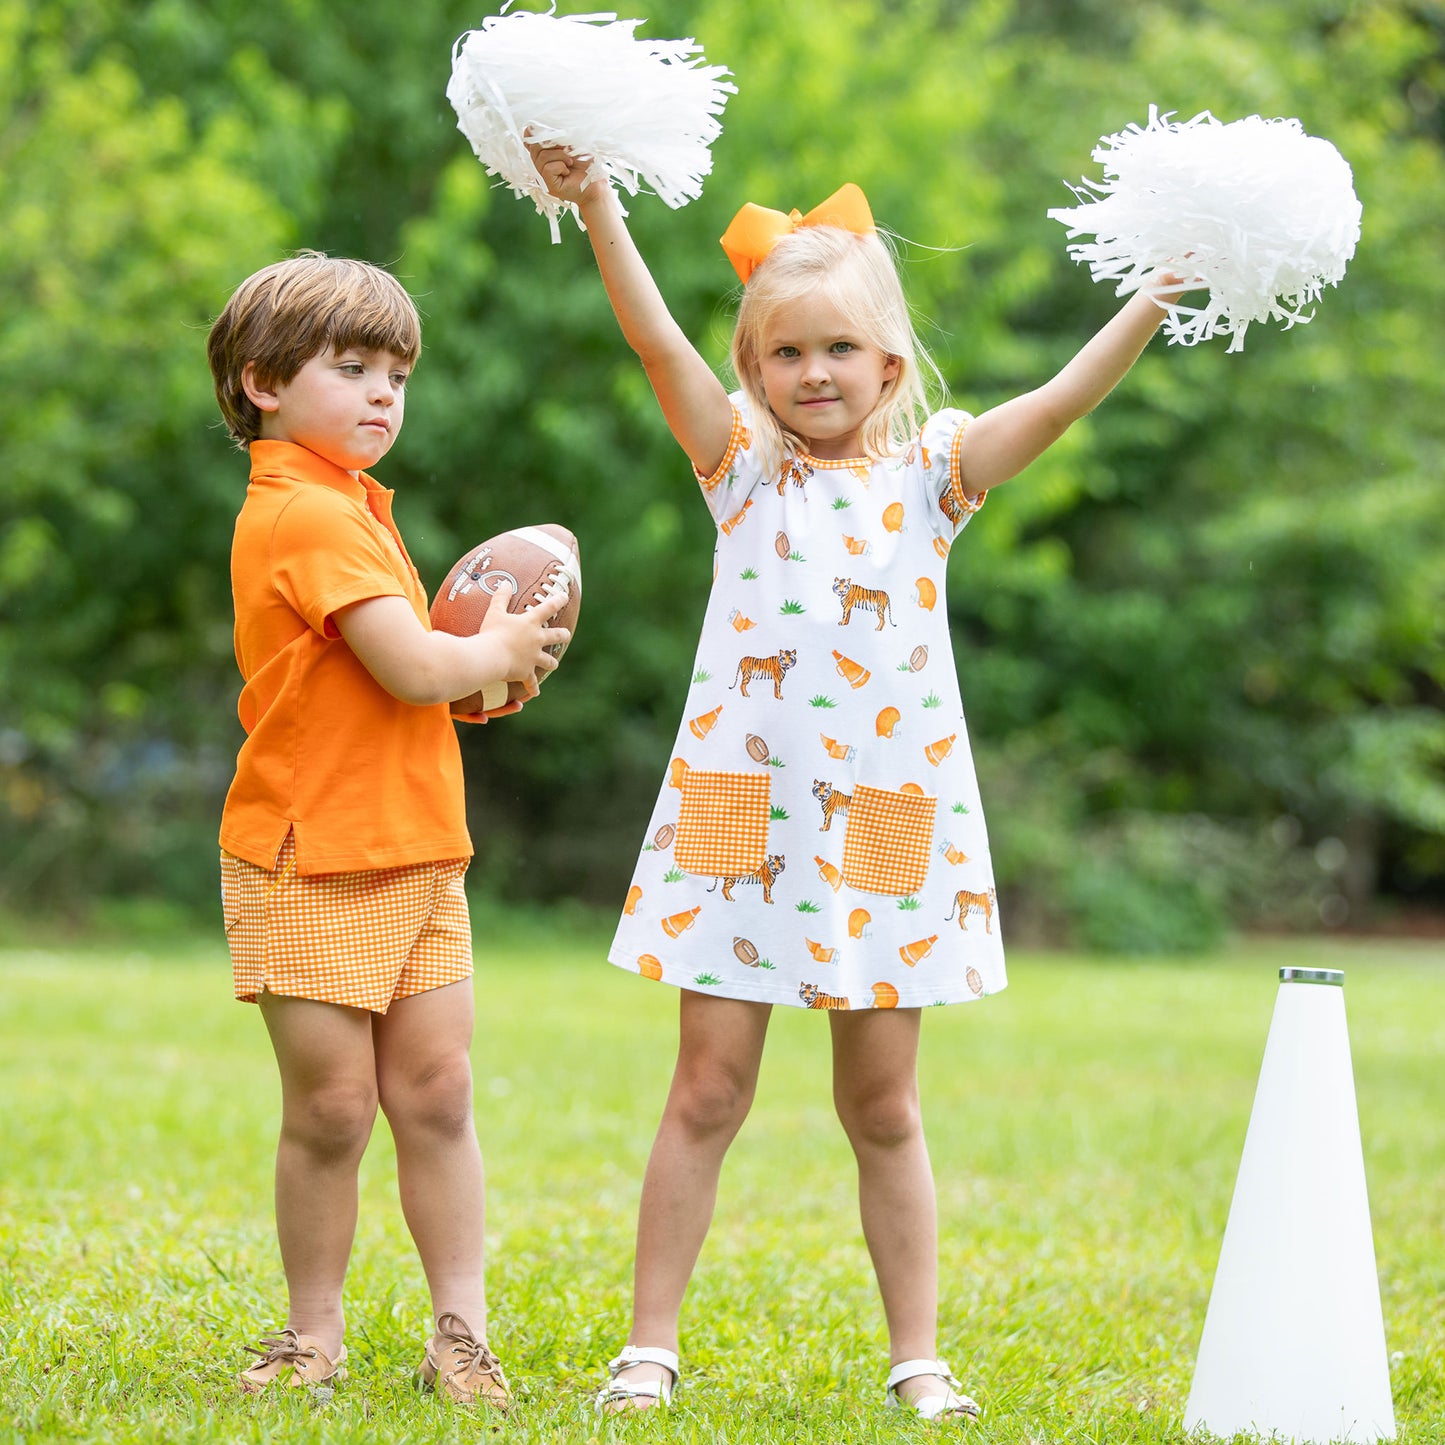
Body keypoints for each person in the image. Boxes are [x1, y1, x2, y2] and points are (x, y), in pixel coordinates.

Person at [530, 149, 1185, 1422]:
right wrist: (597, 200)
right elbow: (652, 334)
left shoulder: (934, 477)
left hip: (886, 823)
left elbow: (1052, 403)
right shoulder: (738, 471)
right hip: (738, 814)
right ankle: (648, 1346)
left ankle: (917, 1353)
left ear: (887, 364)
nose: (812, 374)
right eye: (784, 353)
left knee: (880, 1103)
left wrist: (1153, 294)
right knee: (705, 1088)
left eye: (838, 349)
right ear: (751, 367)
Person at [206, 251, 569, 1408]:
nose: (381, 395)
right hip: (314, 854)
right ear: (263, 382)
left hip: (415, 847)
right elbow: (412, 663)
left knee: (437, 1094)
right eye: (350, 367)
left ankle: (457, 1332)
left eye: (396, 375)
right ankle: (314, 1334)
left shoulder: (355, 509)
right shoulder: (302, 511)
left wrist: (472, 678)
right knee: (329, 1107)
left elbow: (395, 681)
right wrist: (494, 654)